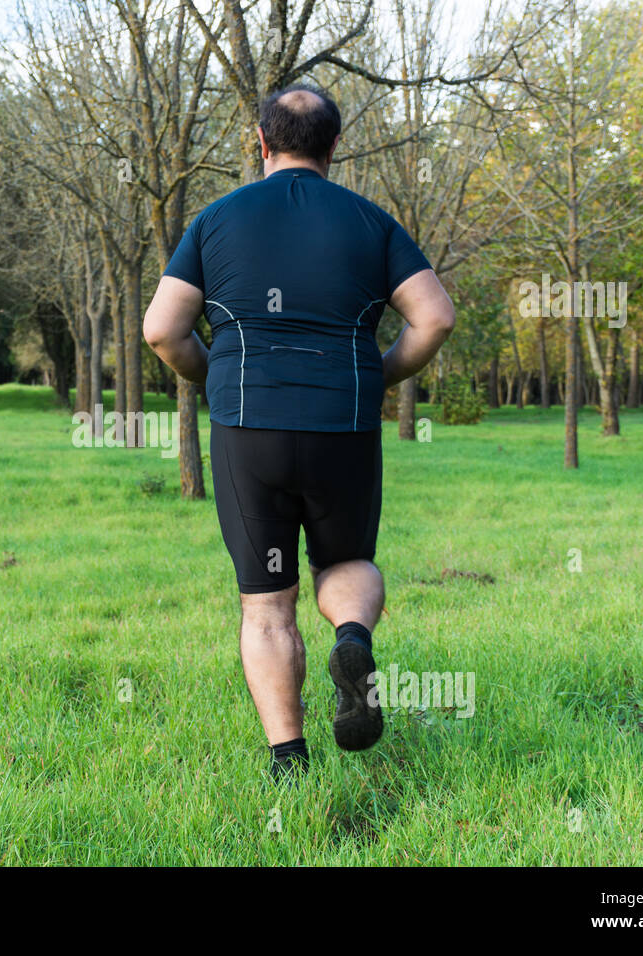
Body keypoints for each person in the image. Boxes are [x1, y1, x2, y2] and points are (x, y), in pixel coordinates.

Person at [142, 83, 455, 781]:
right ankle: (351, 636)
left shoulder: (217, 219)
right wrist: (378, 375)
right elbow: (434, 316)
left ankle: (290, 762)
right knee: (346, 564)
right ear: (335, 147)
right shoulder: (372, 222)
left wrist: (212, 374)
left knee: (267, 602)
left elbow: (162, 329)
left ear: (261, 141)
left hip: (249, 428)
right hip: (341, 424)